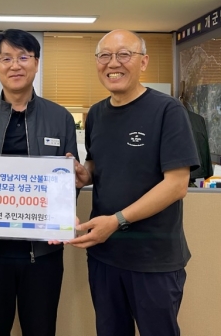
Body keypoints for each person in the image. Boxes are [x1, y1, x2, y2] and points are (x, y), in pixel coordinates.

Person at [69, 30, 200, 336]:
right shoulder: (96, 114)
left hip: (153, 259)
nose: (113, 63)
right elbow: (97, 165)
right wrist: (84, 174)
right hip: (104, 254)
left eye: (124, 54)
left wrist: (117, 220)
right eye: (104, 56)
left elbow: (176, 184)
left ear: (143, 62)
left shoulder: (168, 110)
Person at [0, 29, 79, 336]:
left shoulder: (60, 118)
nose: (15, 65)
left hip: (44, 254)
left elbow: (68, 179)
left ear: (36, 63)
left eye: (23, 57)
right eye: (6, 58)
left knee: (41, 329)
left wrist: (64, 214)